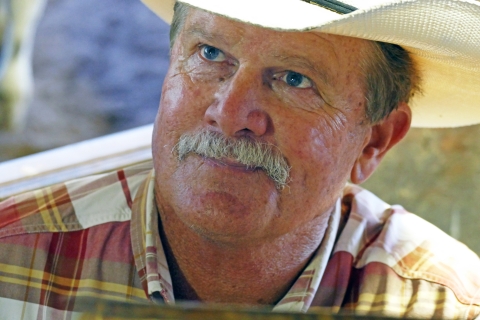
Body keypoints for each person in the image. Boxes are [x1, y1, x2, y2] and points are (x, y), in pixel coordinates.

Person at [1, 0, 480, 318]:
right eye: (210, 53)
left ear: (374, 141)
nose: (230, 114)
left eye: (294, 79)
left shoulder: (446, 305)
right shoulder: (10, 261)